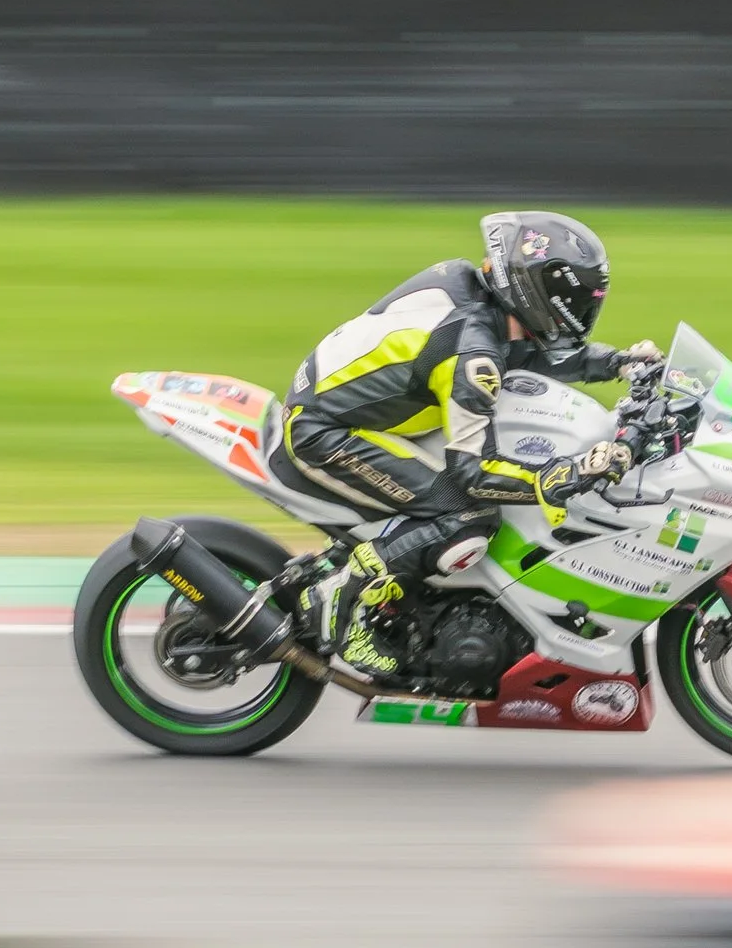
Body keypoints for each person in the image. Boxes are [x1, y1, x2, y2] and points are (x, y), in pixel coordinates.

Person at [269, 210, 663, 678]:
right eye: (576, 297)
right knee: (469, 517)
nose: (582, 309)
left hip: (367, 412)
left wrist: (619, 362)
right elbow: (474, 474)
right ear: (537, 290)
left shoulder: (474, 291)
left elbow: (527, 352)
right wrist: (565, 475)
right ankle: (341, 596)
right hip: (326, 431)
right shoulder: (472, 355)